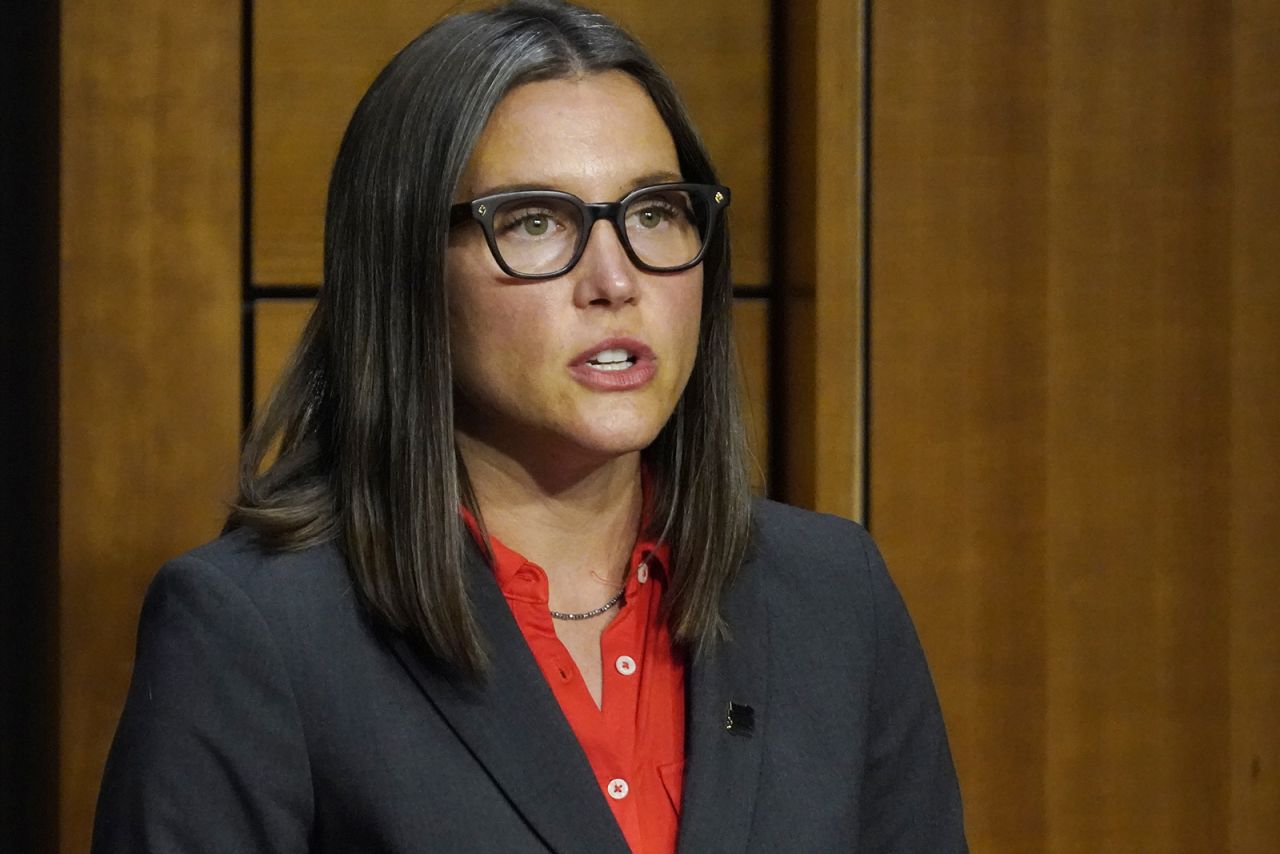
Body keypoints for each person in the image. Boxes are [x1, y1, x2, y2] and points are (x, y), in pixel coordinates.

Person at [92, 1, 966, 851]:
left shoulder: (832, 600)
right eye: (536, 222)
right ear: (406, 270)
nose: (615, 280)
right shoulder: (256, 632)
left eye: (654, 211)